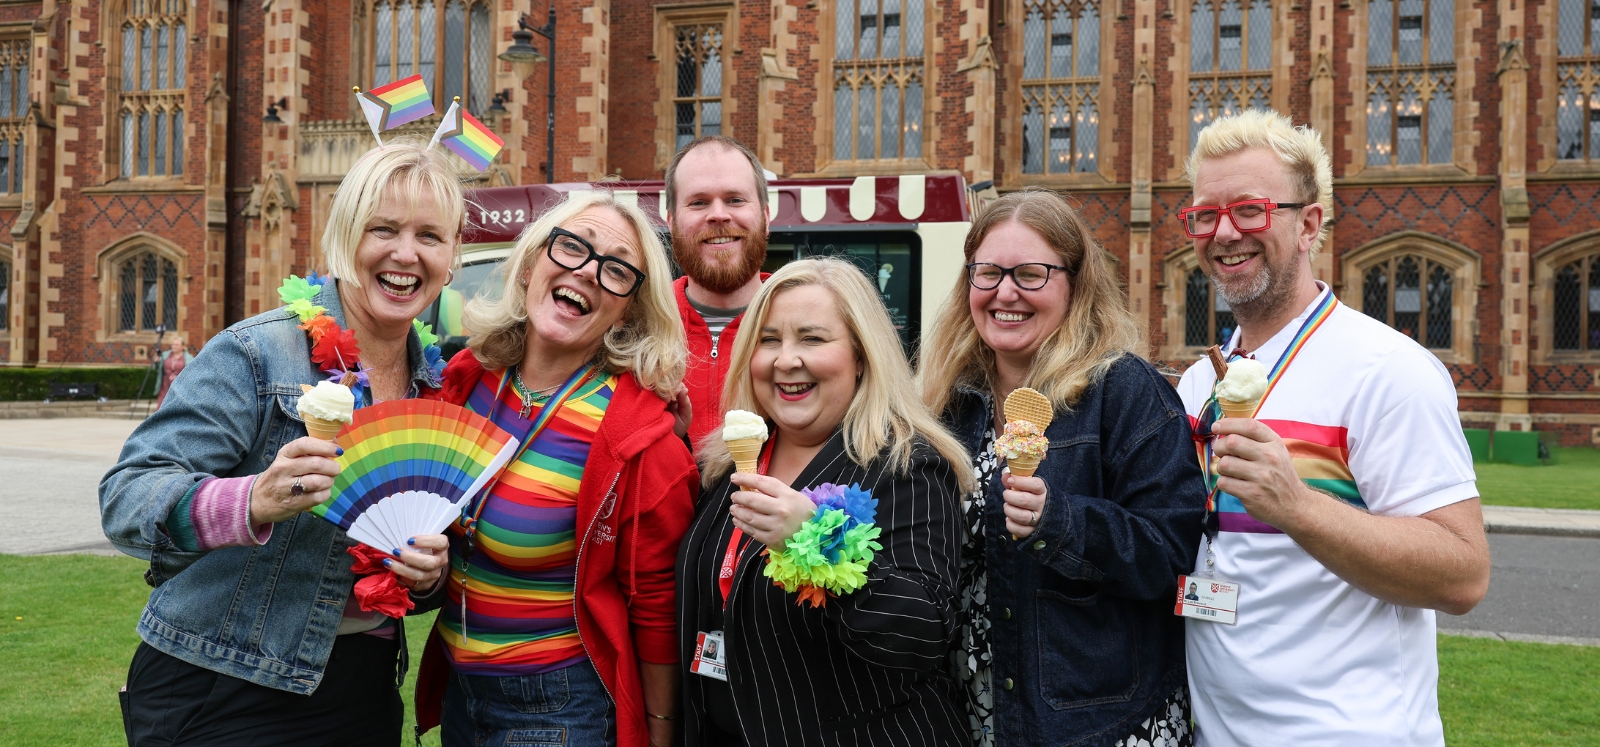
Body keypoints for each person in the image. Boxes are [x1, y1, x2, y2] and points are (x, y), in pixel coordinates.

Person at [100, 140, 460, 746]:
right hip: (218, 679)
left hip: (363, 688)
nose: (406, 254)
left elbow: (411, 568)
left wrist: (425, 577)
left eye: (430, 236)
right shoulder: (258, 353)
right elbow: (127, 497)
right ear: (345, 236)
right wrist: (252, 500)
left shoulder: (441, 390)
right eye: (384, 229)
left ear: (453, 257)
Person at [1177, 109, 1490, 746]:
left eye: (1250, 210)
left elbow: (1463, 574)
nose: (1224, 232)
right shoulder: (1199, 383)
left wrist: (1297, 506)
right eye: (1205, 215)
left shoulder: (1389, 371)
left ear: (1309, 224)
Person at [919, 188, 1207, 747]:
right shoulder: (947, 403)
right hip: (977, 713)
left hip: (1101, 724)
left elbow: (1175, 553)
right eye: (988, 272)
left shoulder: (1123, 391)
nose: (1006, 292)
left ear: (1075, 284)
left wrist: (1063, 522)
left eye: (1031, 274)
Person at [414, 190, 697, 747]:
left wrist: (661, 734)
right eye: (572, 247)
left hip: (556, 708)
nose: (588, 273)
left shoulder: (642, 442)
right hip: (460, 688)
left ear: (629, 309)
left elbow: (659, 611)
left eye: (617, 270)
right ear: (532, 262)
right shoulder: (470, 380)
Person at [676, 257, 975, 747]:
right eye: (768, 340)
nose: (785, 359)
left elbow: (923, 633)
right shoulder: (726, 463)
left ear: (861, 355)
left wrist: (813, 540)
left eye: (812, 339)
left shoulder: (906, 464)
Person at [663, 135, 771, 447]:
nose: (719, 214)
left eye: (736, 200)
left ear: (766, 217)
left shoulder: (809, 326)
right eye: (698, 202)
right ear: (671, 222)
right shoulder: (635, 324)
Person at [153, 334, 193, 409]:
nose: (174, 346)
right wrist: (156, 362)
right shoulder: (165, 355)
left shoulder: (188, 358)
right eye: (173, 344)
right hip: (165, 384)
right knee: (161, 406)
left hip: (179, 386)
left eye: (177, 345)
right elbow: (157, 369)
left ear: (183, 346)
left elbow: (191, 372)